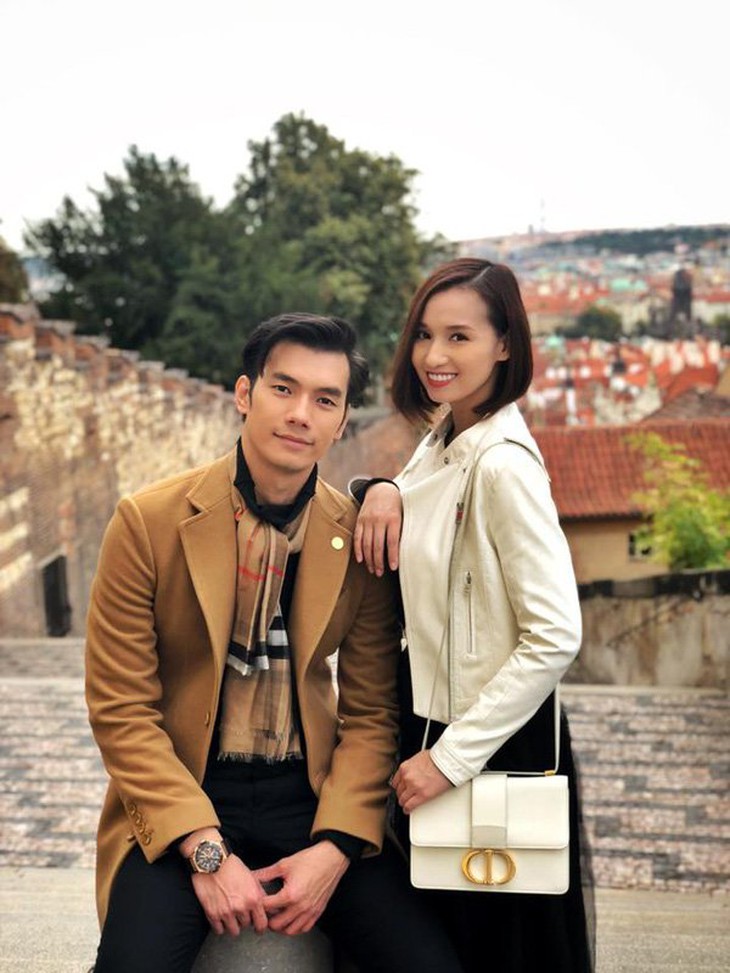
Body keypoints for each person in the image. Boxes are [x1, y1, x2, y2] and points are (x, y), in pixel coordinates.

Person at [85, 313, 464, 973]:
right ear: (245, 393)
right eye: (283, 388)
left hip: (308, 795)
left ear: (342, 422)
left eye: (325, 400)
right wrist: (204, 851)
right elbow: (121, 709)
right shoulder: (147, 522)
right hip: (189, 788)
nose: (299, 414)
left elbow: (371, 713)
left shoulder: (358, 537)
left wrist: (337, 847)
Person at [353, 260, 596, 973]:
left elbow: (557, 632)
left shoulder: (503, 464)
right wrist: (381, 488)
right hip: (432, 725)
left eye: (459, 336)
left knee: (491, 951)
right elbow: (421, 500)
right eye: (425, 334)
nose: (434, 355)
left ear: (504, 344)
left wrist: (450, 759)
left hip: (484, 746)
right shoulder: (447, 432)